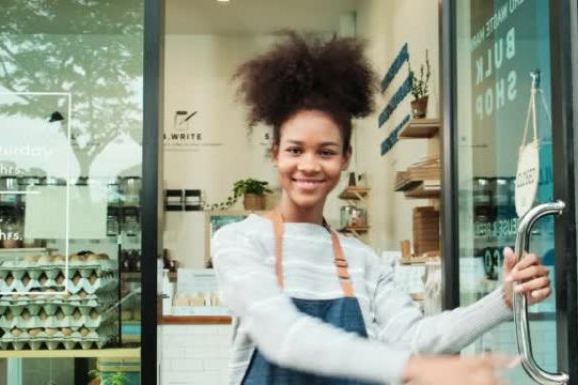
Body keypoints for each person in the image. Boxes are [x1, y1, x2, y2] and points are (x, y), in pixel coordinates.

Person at [211, 32, 551, 385]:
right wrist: (415, 370)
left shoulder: (361, 260)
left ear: (345, 159)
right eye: (295, 150)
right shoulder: (239, 241)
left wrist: (504, 299)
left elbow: (414, 339)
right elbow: (283, 335)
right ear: (275, 154)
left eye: (326, 152)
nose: (309, 165)